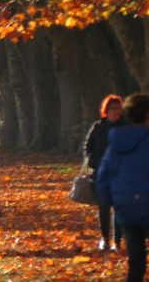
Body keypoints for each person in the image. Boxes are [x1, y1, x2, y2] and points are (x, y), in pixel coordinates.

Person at [97, 93, 149, 282]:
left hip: (126, 208)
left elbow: (103, 176)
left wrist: (113, 202)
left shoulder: (118, 142)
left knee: (136, 263)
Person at [86, 94, 127, 251]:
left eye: (118, 108)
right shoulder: (98, 127)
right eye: (113, 108)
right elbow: (88, 148)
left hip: (121, 174)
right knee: (104, 207)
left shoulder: (126, 128)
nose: (116, 111)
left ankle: (117, 240)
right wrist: (95, 164)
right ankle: (105, 238)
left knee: (118, 207)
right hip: (101, 174)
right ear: (106, 110)